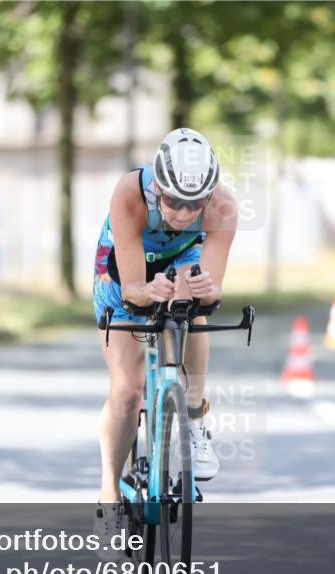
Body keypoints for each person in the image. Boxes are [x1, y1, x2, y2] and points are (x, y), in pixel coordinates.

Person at [92, 128, 237, 550]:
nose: (182, 212)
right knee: (126, 388)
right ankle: (108, 490)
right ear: (158, 186)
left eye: (194, 203)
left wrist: (203, 290)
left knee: (192, 311)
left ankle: (193, 417)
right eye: (173, 201)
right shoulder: (130, 193)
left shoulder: (223, 207)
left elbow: (214, 289)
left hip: (183, 258)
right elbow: (133, 287)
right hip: (124, 268)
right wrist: (143, 291)